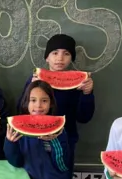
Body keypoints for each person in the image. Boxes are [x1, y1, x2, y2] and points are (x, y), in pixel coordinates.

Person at [18, 34, 94, 164]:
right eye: (54, 53)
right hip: (35, 140)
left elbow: (84, 118)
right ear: (47, 57)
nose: (60, 58)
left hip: (65, 141)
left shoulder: (80, 84)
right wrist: (31, 87)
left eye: (66, 54)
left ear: (71, 58)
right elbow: (21, 111)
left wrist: (87, 93)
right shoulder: (34, 79)